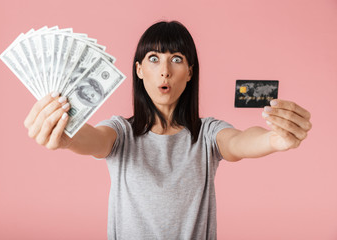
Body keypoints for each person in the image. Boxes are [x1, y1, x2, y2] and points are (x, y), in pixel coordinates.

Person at [24, 21, 312, 240]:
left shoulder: (207, 135)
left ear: (189, 71)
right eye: (153, 58)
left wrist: (274, 139)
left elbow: (239, 142)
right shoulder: (121, 133)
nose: (164, 71)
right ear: (138, 70)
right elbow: (93, 139)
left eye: (176, 59)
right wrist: (66, 136)